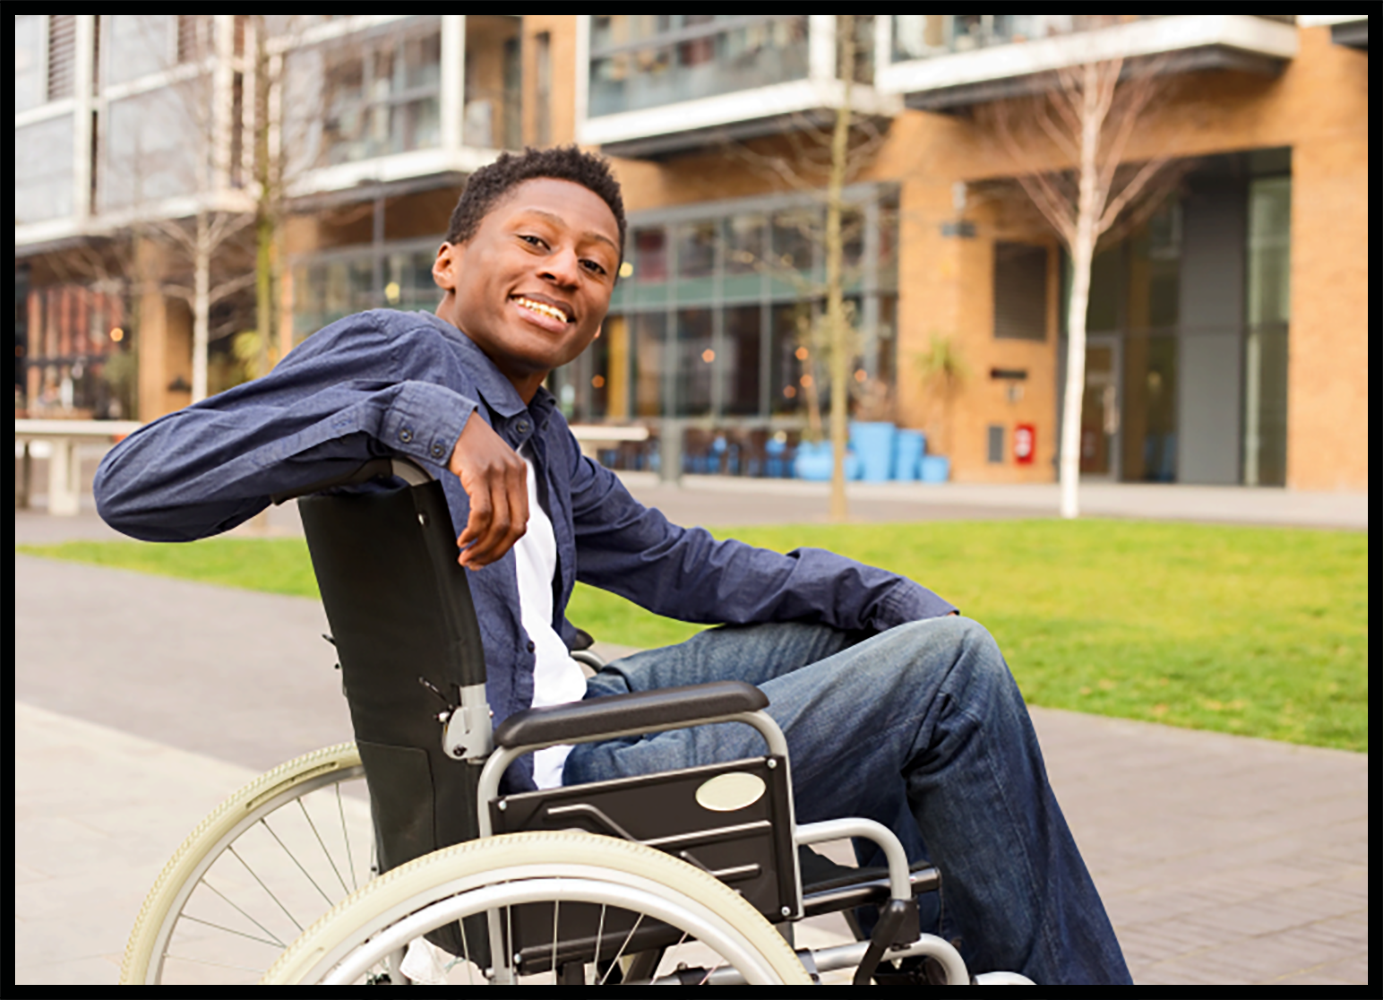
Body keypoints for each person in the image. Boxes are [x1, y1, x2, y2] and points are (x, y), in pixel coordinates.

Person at [94, 146, 1130, 984]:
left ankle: (922, 942)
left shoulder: (536, 430)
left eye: (595, 264)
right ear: (450, 261)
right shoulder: (393, 354)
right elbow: (134, 485)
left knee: (883, 636)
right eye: (535, 241)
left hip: (575, 708)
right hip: (556, 776)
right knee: (953, 671)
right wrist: (416, 417)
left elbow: (681, 565)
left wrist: (881, 592)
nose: (566, 271)